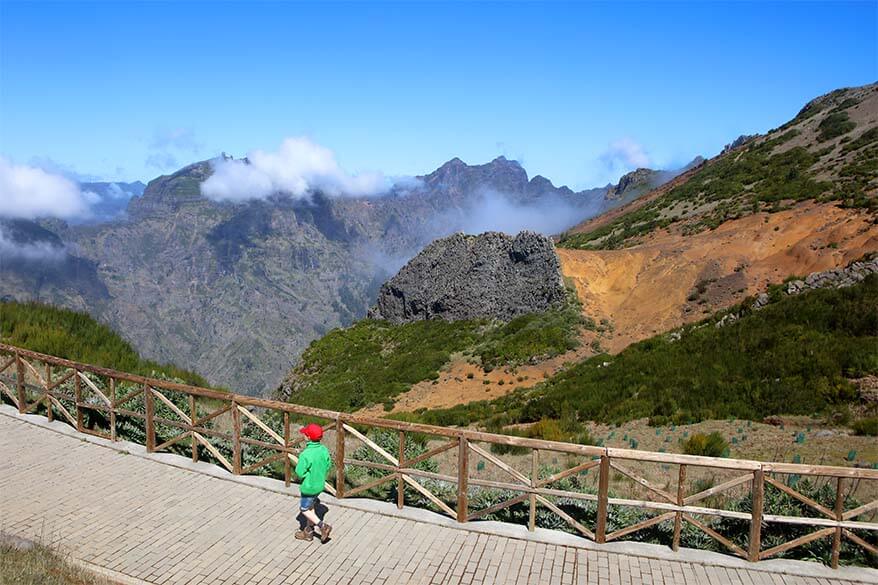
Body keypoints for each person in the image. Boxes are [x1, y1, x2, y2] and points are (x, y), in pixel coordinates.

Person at [294, 423, 333, 543]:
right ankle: (308, 532)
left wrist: (307, 475)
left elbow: (299, 473)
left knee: (304, 509)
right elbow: (328, 465)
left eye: (305, 434)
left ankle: (322, 526)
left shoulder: (305, 454)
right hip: (319, 485)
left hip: (309, 487)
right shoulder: (323, 450)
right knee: (311, 507)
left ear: (308, 437)